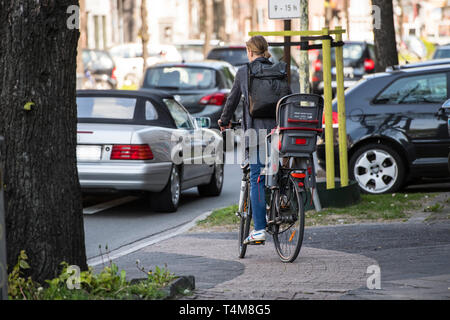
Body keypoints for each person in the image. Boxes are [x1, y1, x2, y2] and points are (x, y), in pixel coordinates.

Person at [218, 35, 291, 245]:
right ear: (266, 51)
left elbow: (231, 101)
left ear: (249, 52)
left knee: (257, 178)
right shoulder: (280, 71)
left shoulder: (244, 72)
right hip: (278, 132)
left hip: (256, 135)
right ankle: (284, 201)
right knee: (279, 173)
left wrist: (224, 121)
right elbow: (287, 99)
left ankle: (259, 229)